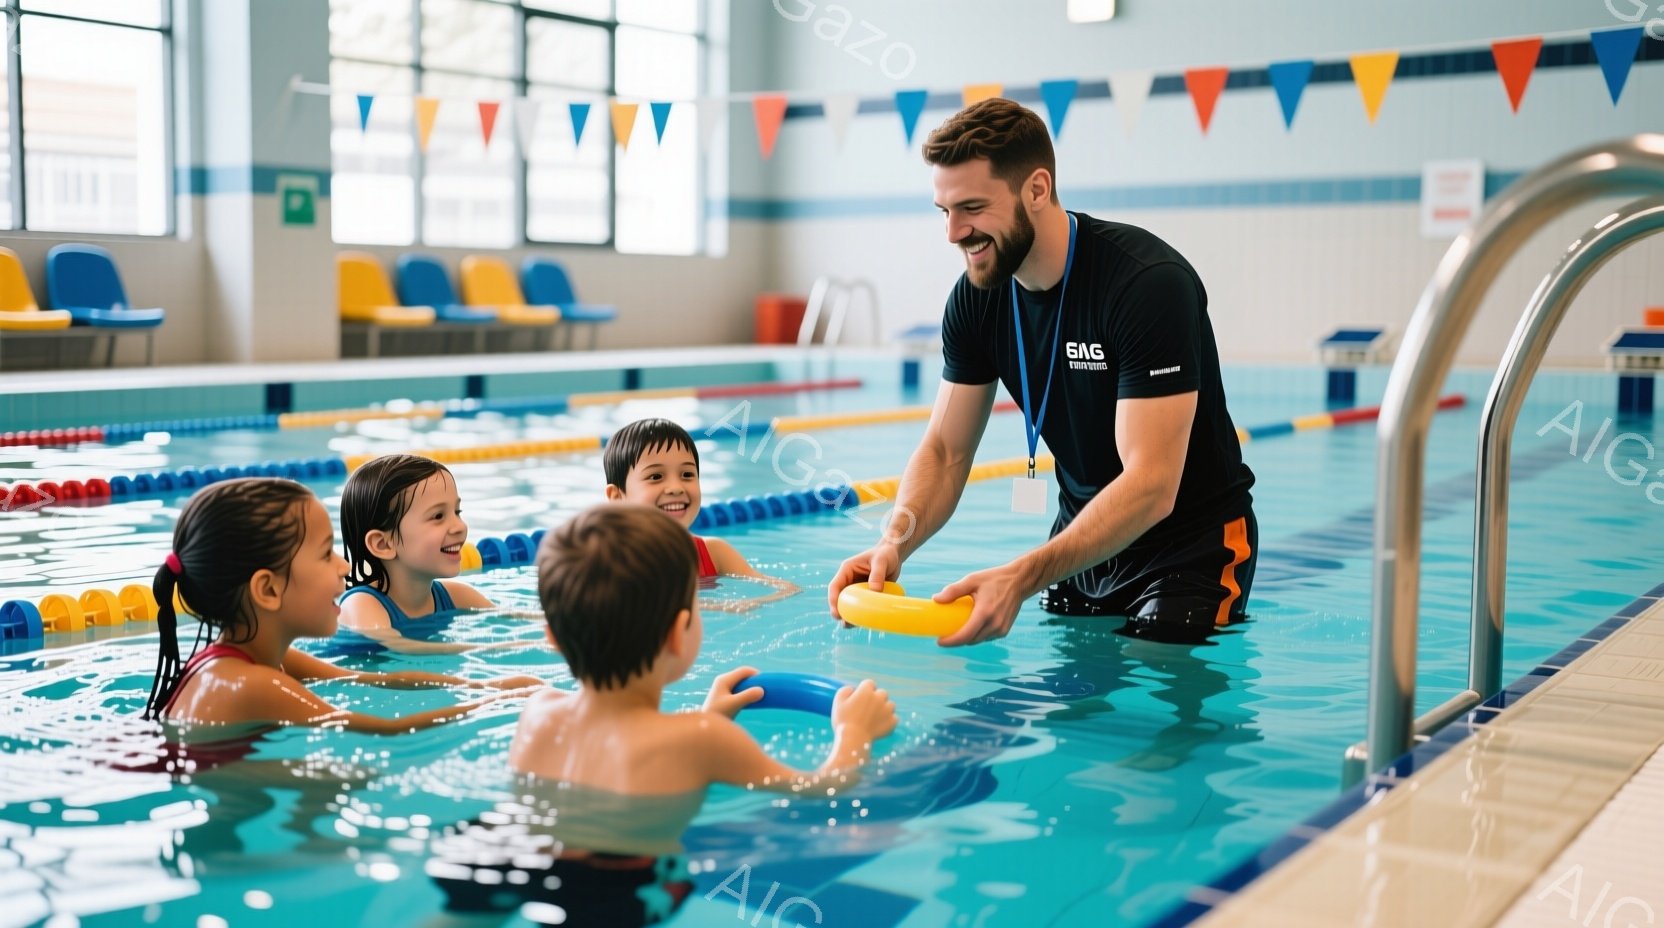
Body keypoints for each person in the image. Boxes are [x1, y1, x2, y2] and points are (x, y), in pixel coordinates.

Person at [829, 98, 1257, 646]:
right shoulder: (977, 298)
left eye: (972, 208)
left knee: (1160, 677)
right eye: (945, 211)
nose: (954, 233)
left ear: (1036, 189)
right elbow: (945, 450)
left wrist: (1024, 574)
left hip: (1190, 550)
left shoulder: (1146, 285)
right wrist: (894, 542)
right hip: (1081, 548)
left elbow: (1152, 484)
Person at [511, 503, 896, 795]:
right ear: (679, 633)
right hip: (635, 889)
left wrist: (706, 715)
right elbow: (820, 787)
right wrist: (854, 730)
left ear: (553, 639)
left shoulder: (539, 712)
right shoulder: (704, 739)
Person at [143, 477, 538, 731]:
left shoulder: (265, 659)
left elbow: (369, 680)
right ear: (267, 590)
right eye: (324, 554)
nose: (344, 566)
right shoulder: (255, 683)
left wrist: (485, 683)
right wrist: (496, 701)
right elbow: (382, 728)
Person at [603, 418, 799, 613]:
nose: (675, 488)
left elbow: (787, 588)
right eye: (656, 477)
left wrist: (757, 602)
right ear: (618, 497)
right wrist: (715, 607)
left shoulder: (713, 552)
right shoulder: (615, 564)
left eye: (687, 474)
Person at [338, 454, 498, 653]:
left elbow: (515, 620)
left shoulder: (456, 596)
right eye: (438, 516)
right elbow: (403, 651)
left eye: (457, 512)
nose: (459, 527)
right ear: (383, 544)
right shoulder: (362, 606)